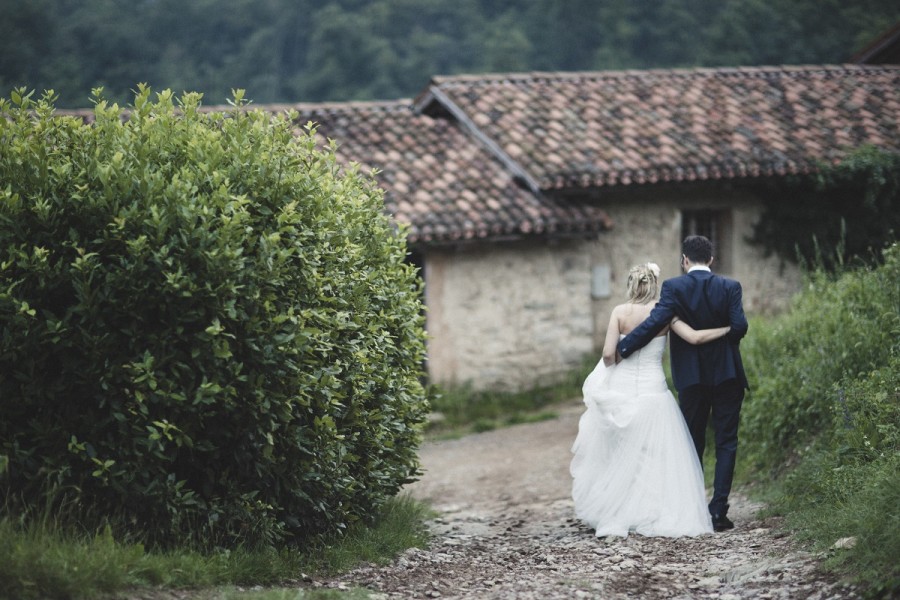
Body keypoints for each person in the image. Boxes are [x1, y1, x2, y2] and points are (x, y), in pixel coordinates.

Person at [571, 262, 729, 537]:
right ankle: (652, 509)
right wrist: (727, 329)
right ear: (655, 285)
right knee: (654, 454)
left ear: (631, 285)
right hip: (654, 390)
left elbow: (609, 354)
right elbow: (693, 337)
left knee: (620, 451)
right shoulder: (665, 314)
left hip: (621, 388)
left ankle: (620, 509)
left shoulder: (619, 312)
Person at [617, 236, 749, 532]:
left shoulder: (674, 288)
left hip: (691, 378)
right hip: (727, 374)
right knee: (727, 442)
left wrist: (625, 348)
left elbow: (653, 323)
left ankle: (692, 509)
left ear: (684, 261)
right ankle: (718, 512)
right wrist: (726, 331)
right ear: (711, 260)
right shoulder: (730, 287)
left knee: (692, 443)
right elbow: (740, 327)